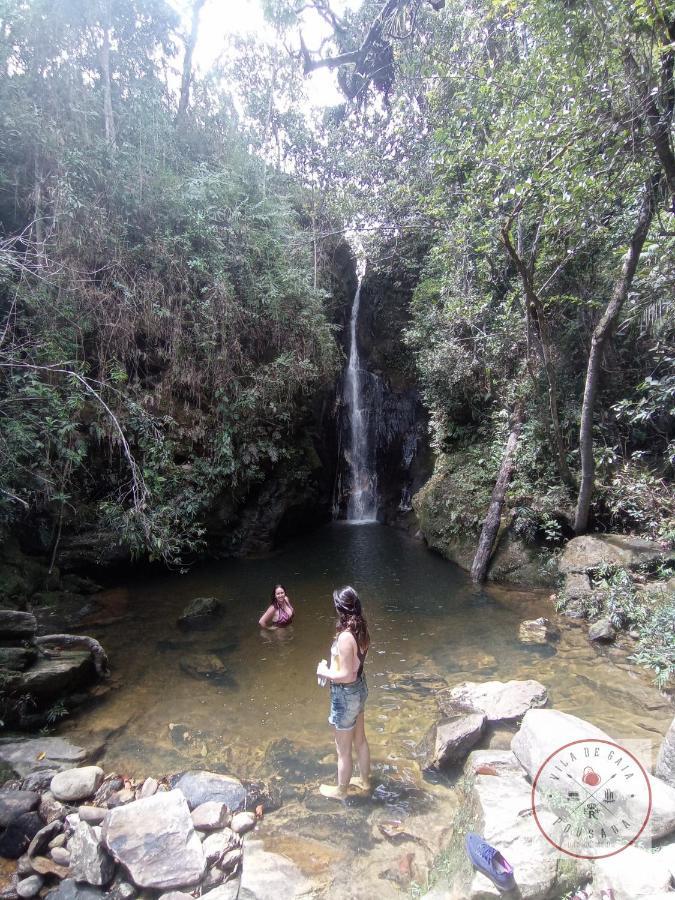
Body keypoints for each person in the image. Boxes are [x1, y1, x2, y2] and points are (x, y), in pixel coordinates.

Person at [316, 585, 371, 800]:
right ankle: (365, 781)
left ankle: (341, 791)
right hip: (359, 688)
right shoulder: (361, 627)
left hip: (346, 694)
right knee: (361, 740)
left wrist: (325, 672)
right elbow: (355, 668)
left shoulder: (346, 637)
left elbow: (346, 674)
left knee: (343, 750)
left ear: (341, 608)